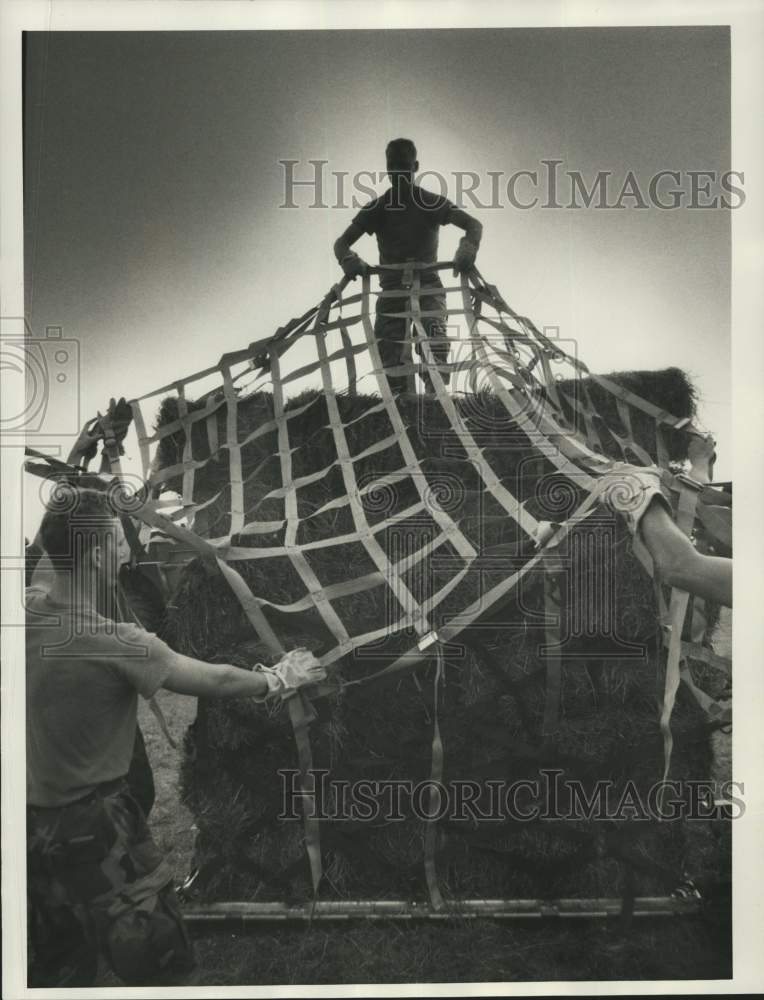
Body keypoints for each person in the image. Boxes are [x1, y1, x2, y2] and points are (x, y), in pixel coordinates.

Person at [26, 486, 326, 987]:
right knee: (156, 952)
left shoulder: (25, 611)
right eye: (119, 541)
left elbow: (40, 552)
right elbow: (217, 679)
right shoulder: (117, 642)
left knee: (55, 956)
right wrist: (279, 678)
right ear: (99, 555)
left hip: (29, 821)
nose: (127, 550)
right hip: (95, 824)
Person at [333, 137, 483, 395]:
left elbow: (473, 225)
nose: (398, 172)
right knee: (390, 356)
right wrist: (349, 259)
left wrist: (467, 249)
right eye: (392, 166)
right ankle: (403, 412)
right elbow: (341, 243)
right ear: (387, 169)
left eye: (403, 165)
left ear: (415, 167)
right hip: (391, 291)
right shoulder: (378, 207)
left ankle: (435, 406)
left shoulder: (429, 201)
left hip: (428, 287)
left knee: (435, 343)